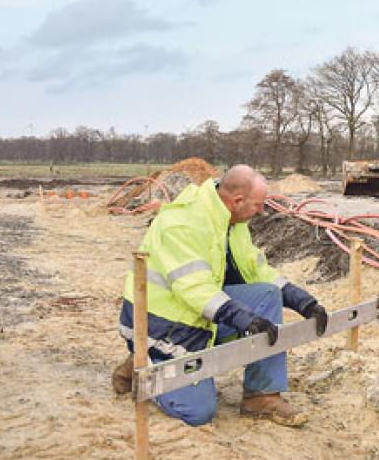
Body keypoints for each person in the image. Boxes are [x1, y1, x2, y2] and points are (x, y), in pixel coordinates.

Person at [110, 165, 329, 427]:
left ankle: (261, 397)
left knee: (267, 295)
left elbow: (257, 270)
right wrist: (242, 318)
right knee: (199, 412)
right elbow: (194, 288)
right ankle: (142, 367)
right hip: (162, 327)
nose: (262, 211)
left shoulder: (232, 222)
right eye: (258, 205)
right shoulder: (183, 223)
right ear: (237, 201)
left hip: (198, 316)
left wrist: (303, 301)